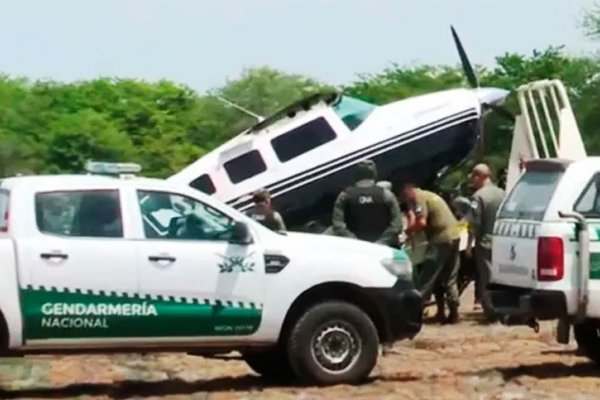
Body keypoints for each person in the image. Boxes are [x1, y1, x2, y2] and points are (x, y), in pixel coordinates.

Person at [401, 182, 461, 324]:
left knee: (426, 279)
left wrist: (408, 232)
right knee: (449, 278)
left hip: (440, 240)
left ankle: (413, 315)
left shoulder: (419, 198)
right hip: (454, 236)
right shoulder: (430, 195)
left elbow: (421, 222)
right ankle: (453, 314)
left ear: (408, 192)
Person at [332, 160, 403, 247]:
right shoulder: (386, 194)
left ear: (356, 175)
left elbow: (338, 225)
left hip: (355, 251)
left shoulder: (345, 196)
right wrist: (381, 243)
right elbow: (397, 224)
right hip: (385, 250)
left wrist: (358, 244)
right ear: (374, 174)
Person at [466, 163, 505, 320]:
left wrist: (469, 245)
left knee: (486, 277)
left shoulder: (478, 197)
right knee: (501, 276)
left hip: (486, 242)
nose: (472, 180)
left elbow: (474, 224)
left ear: (480, 176)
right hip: (502, 242)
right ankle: (503, 307)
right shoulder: (503, 193)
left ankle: (491, 311)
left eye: (474, 176)